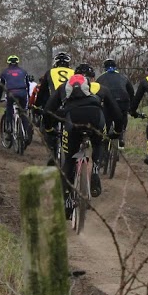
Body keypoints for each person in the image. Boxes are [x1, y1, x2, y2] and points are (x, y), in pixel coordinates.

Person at [44, 70, 123, 200]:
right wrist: (117, 132)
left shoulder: (63, 87)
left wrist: (49, 129)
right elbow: (117, 113)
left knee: (69, 159)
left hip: (73, 119)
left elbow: (47, 111)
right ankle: (96, 169)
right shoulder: (100, 88)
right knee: (98, 144)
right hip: (96, 118)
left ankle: (66, 199)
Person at [34, 52, 75, 160]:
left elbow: (42, 92)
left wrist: (37, 106)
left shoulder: (50, 72)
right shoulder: (74, 73)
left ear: (55, 64)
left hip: (54, 105)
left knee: (49, 127)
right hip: (70, 105)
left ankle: (52, 149)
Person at [96, 58, 135, 147]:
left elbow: (96, 91)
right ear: (115, 67)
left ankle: (105, 138)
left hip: (109, 101)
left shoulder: (101, 78)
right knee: (123, 115)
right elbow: (131, 92)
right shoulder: (123, 77)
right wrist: (132, 107)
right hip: (123, 100)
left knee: (107, 119)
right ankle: (121, 135)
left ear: (104, 68)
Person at [0, 55, 32, 139]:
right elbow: (27, 85)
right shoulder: (24, 72)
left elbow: (0, 87)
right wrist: (28, 96)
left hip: (11, 93)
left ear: (8, 63)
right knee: (23, 112)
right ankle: (26, 132)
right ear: (17, 63)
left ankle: (9, 128)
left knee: (9, 108)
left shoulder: (5, 72)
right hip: (23, 93)